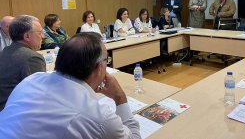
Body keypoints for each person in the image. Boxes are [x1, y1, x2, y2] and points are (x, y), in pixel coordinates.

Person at [0, 33, 141, 139]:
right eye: (106, 60)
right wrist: (120, 97)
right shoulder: (99, 117)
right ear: (99, 67)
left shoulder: (31, 80)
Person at [0, 15, 46, 111]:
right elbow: (38, 96)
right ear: (27, 36)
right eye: (40, 32)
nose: (43, 36)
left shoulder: (5, 51)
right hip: (14, 114)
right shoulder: (32, 58)